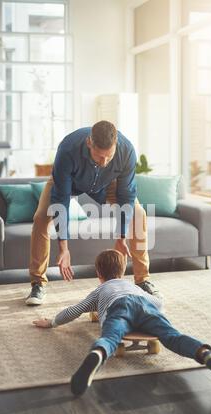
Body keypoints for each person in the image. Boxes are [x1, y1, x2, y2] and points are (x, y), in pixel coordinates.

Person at [33, 249, 211, 397]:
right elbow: (159, 302)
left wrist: (51, 322)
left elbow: (74, 311)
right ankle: (206, 354)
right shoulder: (134, 287)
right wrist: (154, 306)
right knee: (172, 336)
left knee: (110, 338)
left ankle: (97, 354)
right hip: (145, 305)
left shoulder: (99, 291)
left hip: (117, 308)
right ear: (122, 272)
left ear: (98, 274)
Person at [26, 120, 156, 305]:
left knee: (138, 213)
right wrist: (64, 247)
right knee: (40, 218)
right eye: (99, 157)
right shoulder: (68, 149)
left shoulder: (126, 150)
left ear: (116, 144)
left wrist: (121, 237)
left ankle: (143, 280)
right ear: (89, 143)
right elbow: (61, 200)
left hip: (107, 184)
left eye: (109, 157)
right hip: (70, 183)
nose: (104, 162)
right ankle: (37, 283)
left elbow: (126, 195)